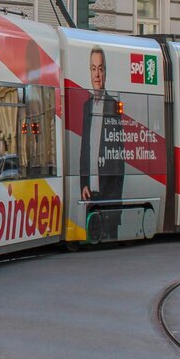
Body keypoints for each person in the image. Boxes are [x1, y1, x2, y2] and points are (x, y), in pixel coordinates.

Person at [79, 47, 124, 240]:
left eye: (100, 68)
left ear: (105, 72)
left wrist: (113, 204)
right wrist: (84, 183)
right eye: (93, 68)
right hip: (91, 195)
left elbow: (118, 157)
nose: (97, 74)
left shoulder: (113, 106)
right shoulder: (86, 106)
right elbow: (84, 149)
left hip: (109, 197)